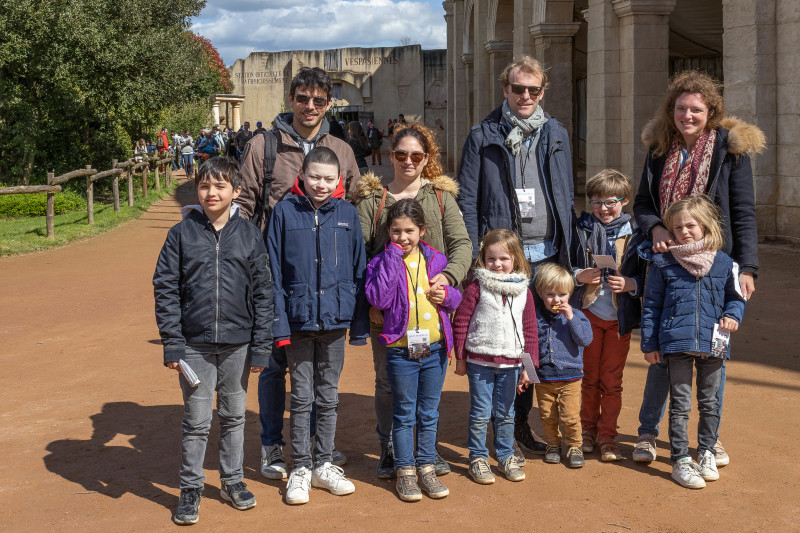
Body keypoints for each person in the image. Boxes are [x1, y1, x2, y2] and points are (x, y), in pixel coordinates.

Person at [631, 70, 766, 465]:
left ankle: (710, 439)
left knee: (712, 355)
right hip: (666, 264)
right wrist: (655, 226)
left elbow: (743, 212)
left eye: (696, 110)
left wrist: (747, 268)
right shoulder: (659, 149)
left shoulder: (729, 150)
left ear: (711, 112)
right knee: (662, 349)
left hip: (714, 266)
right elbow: (642, 203)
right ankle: (647, 432)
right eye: (680, 108)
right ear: (670, 110)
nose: (687, 116)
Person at [237, 66, 360, 481]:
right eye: (303, 98)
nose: (310, 106)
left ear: (329, 104)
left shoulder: (340, 149)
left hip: (324, 281)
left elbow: (354, 206)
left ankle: (317, 446)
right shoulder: (264, 145)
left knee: (321, 372)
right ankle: (273, 443)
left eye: (319, 100)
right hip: (273, 273)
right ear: (291, 99)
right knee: (275, 365)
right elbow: (245, 205)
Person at [457, 55, 576, 457]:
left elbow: (565, 193)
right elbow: (469, 199)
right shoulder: (482, 135)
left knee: (536, 340)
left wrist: (569, 248)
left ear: (543, 92)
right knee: (504, 341)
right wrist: (474, 256)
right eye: (518, 88)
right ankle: (501, 425)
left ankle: (521, 422)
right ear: (505, 89)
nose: (526, 96)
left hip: (548, 253)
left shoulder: (555, 132)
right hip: (504, 259)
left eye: (534, 90)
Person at [152, 156, 273, 525]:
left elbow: (264, 292)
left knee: (234, 416)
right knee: (197, 420)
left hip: (239, 344)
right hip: (194, 346)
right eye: (205, 186)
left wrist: (261, 345)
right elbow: (166, 289)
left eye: (220, 186)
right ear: (197, 190)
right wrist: (173, 343)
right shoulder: (181, 234)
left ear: (236, 191)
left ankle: (232, 481)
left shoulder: (250, 234)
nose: (211, 193)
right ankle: (191, 488)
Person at [354, 122, 472, 479]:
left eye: (416, 156)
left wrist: (448, 277)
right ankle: (391, 447)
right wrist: (371, 304)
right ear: (391, 156)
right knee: (387, 382)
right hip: (388, 313)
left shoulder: (441, 198)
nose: (408, 161)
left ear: (427, 158)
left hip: (430, 309)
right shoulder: (373, 201)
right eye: (401, 154)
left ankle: (425, 449)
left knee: (426, 385)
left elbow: (462, 244)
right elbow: (360, 256)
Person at [267, 147, 366, 505]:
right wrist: (279, 325)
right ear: (302, 176)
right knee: (301, 396)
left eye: (328, 179)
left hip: (335, 320)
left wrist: (358, 325)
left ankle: (324, 463)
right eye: (314, 177)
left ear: (339, 180)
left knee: (328, 395)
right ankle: (301, 467)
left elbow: (359, 268)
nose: (321, 184)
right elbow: (273, 272)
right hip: (298, 320)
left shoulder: (347, 213)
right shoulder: (283, 212)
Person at [640, 196, 746, 489]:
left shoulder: (725, 262)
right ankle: (680, 460)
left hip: (714, 345)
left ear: (706, 225)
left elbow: (736, 298)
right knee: (681, 405)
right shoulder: (663, 262)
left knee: (710, 402)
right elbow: (651, 305)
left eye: (691, 225)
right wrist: (649, 344)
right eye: (677, 227)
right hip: (676, 343)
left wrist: (732, 315)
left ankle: (707, 451)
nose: (684, 231)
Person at [365, 198, 462, 502]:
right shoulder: (380, 262)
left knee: (429, 413)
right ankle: (405, 471)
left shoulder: (437, 259)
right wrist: (393, 257)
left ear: (422, 230)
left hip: (434, 350)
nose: (403, 237)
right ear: (388, 232)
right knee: (405, 414)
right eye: (396, 231)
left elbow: (455, 299)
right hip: (401, 352)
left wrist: (447, 295)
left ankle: (427, 468)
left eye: (409, 231)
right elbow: (379, 298)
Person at [572, 169, 648, 461]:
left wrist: (631, 284)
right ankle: (587, 431)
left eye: (610, 202)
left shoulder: (637, 234)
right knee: (589, 377)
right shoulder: (580, 229)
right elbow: (565, 264)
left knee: (611, 381)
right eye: (596, 202)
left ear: (625, 201)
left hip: (619, 319)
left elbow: (649, 277)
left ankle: (608, 437)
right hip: (588, 314)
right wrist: (580, 275)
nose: (603, 208)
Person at [452, 229, 537, 485]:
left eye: (504, 258)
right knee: (480, 413)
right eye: (491, 259)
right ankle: (477, 458)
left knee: (506, 413)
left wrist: (529, 369)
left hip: (512, 366)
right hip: (480, 364)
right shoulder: (476, 288)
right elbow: (461, 322)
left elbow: (530, 331)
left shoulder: (524, 291)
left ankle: (505, 456)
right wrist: (461, 357)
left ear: (516, 259)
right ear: (483, 259)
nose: (497, 264)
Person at [521, 263, 592, 468]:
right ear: (540, 294)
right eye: (550, 294)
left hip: (570, 377)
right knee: (547, 415)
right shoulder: (534, 317)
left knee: (570, 416)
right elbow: (527, 345)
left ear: (570, 294)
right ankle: (553, 445)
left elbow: (585, 339)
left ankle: (575, 446)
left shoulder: (576, 315)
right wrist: (527, 371)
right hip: (544, 378)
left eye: (562, 294)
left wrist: (571, 318)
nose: (557, 300)